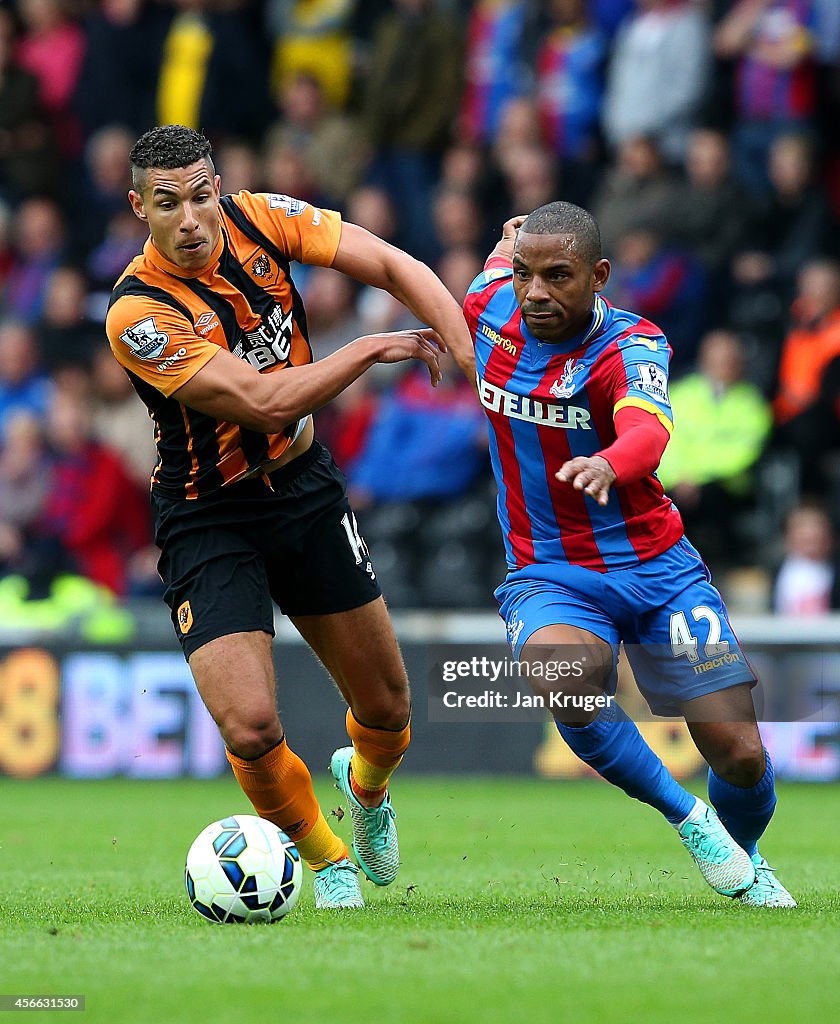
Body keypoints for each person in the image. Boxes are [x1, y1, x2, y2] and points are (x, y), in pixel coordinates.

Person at [105, 124, 472, 909]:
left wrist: (467, 357)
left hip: (303, 489)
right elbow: (265, 401)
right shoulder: (136, 314)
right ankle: (326, 857)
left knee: (387, 708)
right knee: (249, 727)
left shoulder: (262, 217)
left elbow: (394, 263)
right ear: (140, 207)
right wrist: (368, 349)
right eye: (169, 204)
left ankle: (366, 794)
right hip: (207, 515)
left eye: (202, 195)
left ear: (219, 186)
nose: (193, 219)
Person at [462, 201, 795, 908]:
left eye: (559, 276)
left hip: (658, 570)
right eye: (526, 276)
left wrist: (613, 463)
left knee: (739, 753)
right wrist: (504, 253)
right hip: (551, 574)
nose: (537, 292)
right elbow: (498, 258)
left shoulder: (632, 345)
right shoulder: (490, 304)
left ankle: (748, 850)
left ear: (599, 275)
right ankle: (691, 820)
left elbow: (647, 432)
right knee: (565, 678)